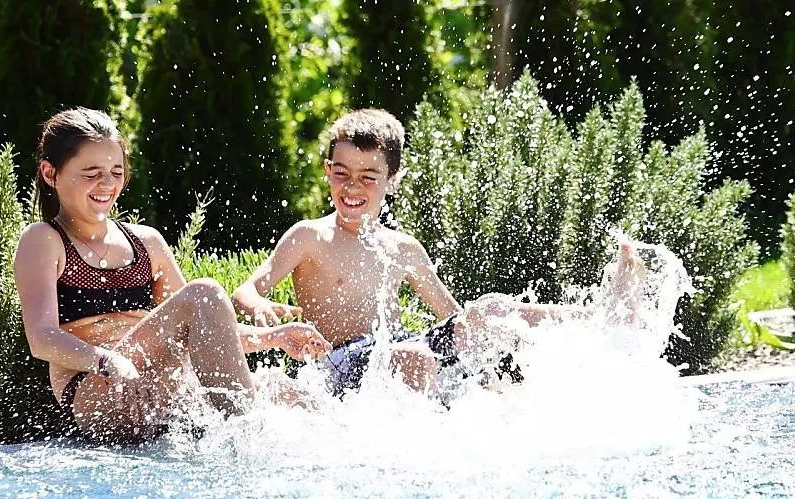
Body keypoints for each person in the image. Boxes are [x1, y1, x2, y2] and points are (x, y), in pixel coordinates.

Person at [232, 108, 646, 397]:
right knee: (411, 356)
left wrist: (484, 366)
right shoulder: (310, 236)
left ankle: (603, 318)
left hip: (401, 350)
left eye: (368, 177)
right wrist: (259, 305)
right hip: (339, 365)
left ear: (393, 180)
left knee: (489, 313)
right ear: (327, 171)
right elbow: (244, 292)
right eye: (341, 174)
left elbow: (453, 318)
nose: (352, 186)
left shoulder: (403, 248)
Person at [13, 108, 330, 442]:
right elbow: (41, 338)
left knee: (285, 391)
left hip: (159, 383)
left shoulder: (146, 242)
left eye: (116, 172)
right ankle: (248, 442)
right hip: (100, 392)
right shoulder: (44, 239)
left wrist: (274, 337)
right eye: (91, 173)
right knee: (204, 293)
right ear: (50, 173)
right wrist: (110, 361)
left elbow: (207, 327)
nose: (107, 184)